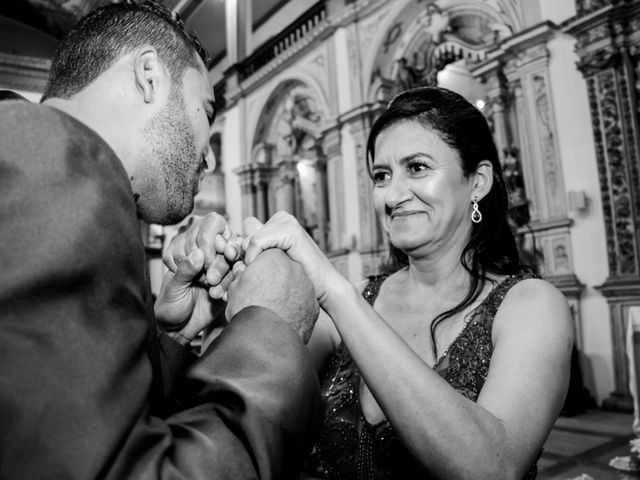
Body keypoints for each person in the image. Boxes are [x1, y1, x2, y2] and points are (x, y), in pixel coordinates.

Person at [174, 86, 573, 479]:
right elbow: (234, 413)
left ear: (478, 180)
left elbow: (492, 466)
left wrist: (334, 289)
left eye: (417, 167)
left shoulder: (531, 305)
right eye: (382, 175)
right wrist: (212, 319)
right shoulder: (360, 296)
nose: (392, 195)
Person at [0, 1, 322, 479]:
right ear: (150, 75)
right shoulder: (49, 158)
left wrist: (170, 335)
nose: (209, 159)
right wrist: (269, 327)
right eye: (205, 110)